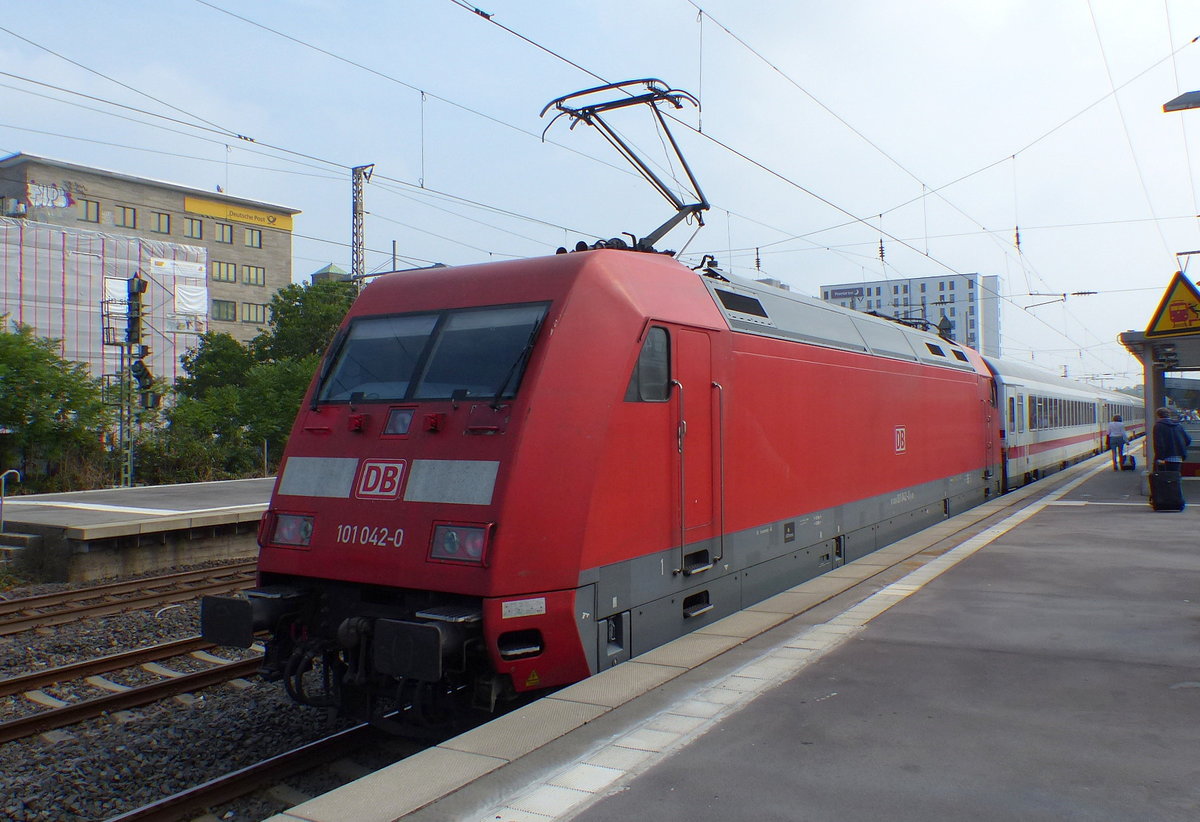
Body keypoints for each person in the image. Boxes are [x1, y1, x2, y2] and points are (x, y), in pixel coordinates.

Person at [1152, 407, 1192, 473]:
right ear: (1169, 415)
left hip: (1165, 458)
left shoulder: (1158, 426)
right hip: (1178, 458)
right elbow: (1188, 440)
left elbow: (1159, 444)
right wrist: (1180, 448)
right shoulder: (1178, 425)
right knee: (1175, 478)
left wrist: (1159, 458)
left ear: (1158, 415)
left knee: (1164, 479)